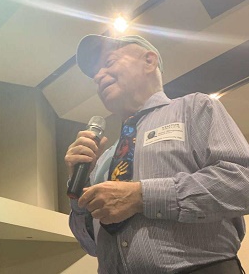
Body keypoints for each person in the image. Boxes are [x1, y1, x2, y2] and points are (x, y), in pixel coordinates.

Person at [65, 34, 249, 273]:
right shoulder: (103, 159)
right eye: (94, 75)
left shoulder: (194, 108)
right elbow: (90, 245)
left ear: (149, 61)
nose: (98, 76)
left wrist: (142, 196)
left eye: (108, 63)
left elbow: (243, 182)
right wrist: (77, 191)